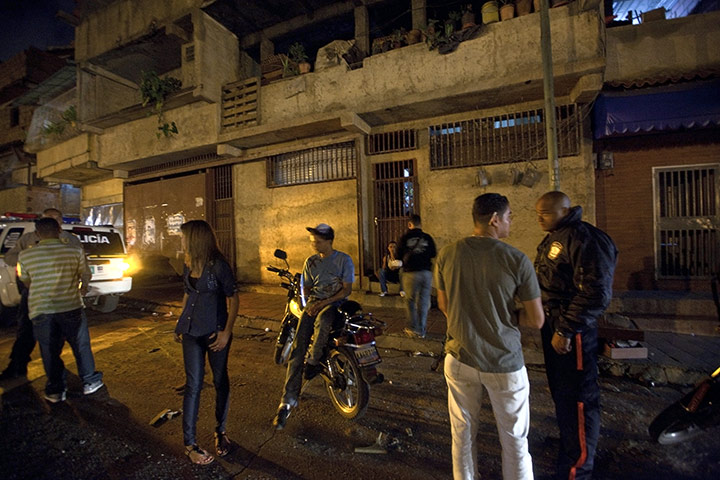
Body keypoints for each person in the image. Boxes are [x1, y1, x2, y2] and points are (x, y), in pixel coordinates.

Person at [435, 193, 544, 480]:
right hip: (503, 363)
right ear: (494, 220)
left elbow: (444, 306)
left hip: (459, 359)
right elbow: (536, 319)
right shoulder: (516, 260)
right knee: (514, 441)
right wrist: (505, 317)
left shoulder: (447, 254)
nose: (510, 223)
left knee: (462, 434)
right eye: (508, 217)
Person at [534, 191, 618, 480]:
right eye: (538, 212)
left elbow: (596, 292)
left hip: (573, 331)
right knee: (563, 393)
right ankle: (570, 447)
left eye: (545, 212)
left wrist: (567, 329)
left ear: (565, 209)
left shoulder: (585, 238)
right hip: (554, 325)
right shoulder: (557, 236)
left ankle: (578, 468)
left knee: (579, 398)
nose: (539, 217)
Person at [273, 223, 354, 430]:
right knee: (298, 348)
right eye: (313, 241)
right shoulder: (311, 262)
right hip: (313, 305)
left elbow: (346, 290)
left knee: (324, 320)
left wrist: (323, 303)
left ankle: (314, 361)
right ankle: (287, 400)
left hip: (333, 304)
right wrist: (311, 303)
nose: (314, 245)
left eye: (318, 241)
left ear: (329, 241)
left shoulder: (344, 260)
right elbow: (307, 289)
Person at [174, 220, 239, 465]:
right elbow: (187, 293)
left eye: (183, 237)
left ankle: (220, 431)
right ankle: (189, 444)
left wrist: (226, 332)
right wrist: (181, 323)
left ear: (195, 238)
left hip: (215, 333)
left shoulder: (219, 267)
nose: (181, 241)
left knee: (220, 379)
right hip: (191, 333)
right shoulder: (188, 263)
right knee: (193, 384)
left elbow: (234, 298)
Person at [17, 217, 103, 403]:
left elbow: (26, 281)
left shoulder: (25, 255)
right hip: (71, 306)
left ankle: (56, 390)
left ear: (37, 233)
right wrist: (82, 286)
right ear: (59, 230)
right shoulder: (75, 251)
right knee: (81, 346)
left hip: (41, 309)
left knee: (49, 350)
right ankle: (89, 382)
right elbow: (85, 275)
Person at [0, 208, 91, 381]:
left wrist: (83, 285)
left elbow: (83, 267)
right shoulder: (28, 240)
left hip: (64, 294)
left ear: (60, 222)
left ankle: (59, 376)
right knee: (26, 331)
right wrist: (31, 260)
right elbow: (10, 258)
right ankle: (17, 367)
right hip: (36, 294)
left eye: (56, 218)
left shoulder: (71, 240)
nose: (53, 221)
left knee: (62, 337)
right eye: (49, 218)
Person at [397, 214, 436, 338]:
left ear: (410, 224)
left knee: (410, 301)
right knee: (424, 301)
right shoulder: (427, 237)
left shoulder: (404, 237)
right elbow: (433, 253)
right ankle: (422, 329)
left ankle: (413, 328)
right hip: (426, 272)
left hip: (410, 273)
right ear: (420, 224)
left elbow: (398, 256)